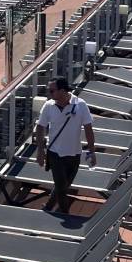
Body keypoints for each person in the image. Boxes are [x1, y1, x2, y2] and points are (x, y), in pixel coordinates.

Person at [34, 77, 97, 214]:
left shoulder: (80, 105)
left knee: (64, 185)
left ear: (62, 91)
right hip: (55, 153)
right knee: (62, 187)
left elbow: (88, 129)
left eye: (52, 91)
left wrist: (92, 151)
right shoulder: (49, 106)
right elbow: (40, 127)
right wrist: (40, 151)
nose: (49, 94)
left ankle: (49, 206)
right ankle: (65, 214)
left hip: (74, 154)